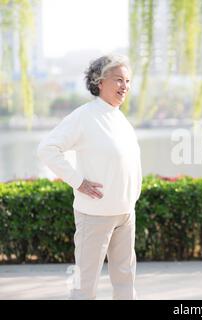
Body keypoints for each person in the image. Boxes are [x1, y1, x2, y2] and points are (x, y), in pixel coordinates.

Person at [37, 54, 142, 300]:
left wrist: (132, 200)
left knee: (125, 280)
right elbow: (47, 149)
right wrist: (78, 182)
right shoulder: (84, 116)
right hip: (94, 215)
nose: (124, 86)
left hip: (125, 215)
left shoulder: (120, 118)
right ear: (99, 82)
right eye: (118, 80)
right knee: (84, 285)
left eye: (127, 80)